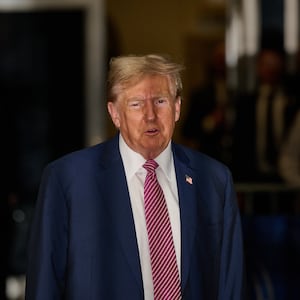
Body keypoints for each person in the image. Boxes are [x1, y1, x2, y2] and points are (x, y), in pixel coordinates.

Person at [25, 54, 245, 299]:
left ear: (177, 108)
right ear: (115, 113)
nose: (150, 115)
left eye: (160, 101)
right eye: (136, 104)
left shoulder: (214, 179)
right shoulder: (68, 180)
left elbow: (230, 284)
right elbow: (45, 285)